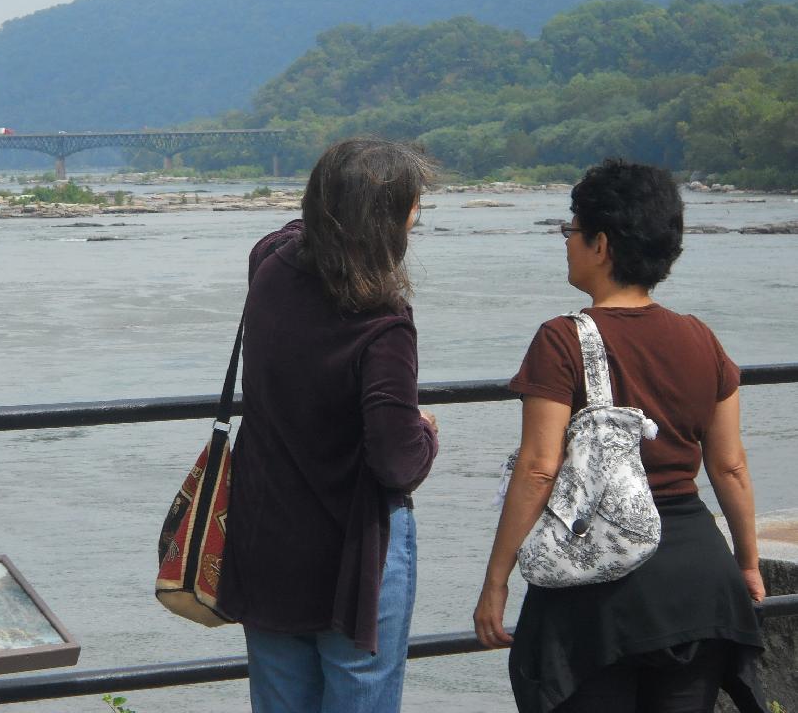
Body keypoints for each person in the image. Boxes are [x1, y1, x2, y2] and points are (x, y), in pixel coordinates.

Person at [473, 159, 767, 713]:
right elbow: (730, 467)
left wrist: (496, 580)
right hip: (699, 581)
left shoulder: (561, 339)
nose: (567, 242)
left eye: (572, 230)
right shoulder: (701, 337)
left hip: (601, 588)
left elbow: (538, 468)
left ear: (602, 245)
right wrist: (747, 565)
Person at [219, 137, 440, 713]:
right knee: (360, 690)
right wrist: (425, 432)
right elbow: (396, 463)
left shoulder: (270, 267)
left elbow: (286, 235)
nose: (417, 213)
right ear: (389, 219)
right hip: (353, 550)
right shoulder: (383, 322)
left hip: (267, 534)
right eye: (412, 203)